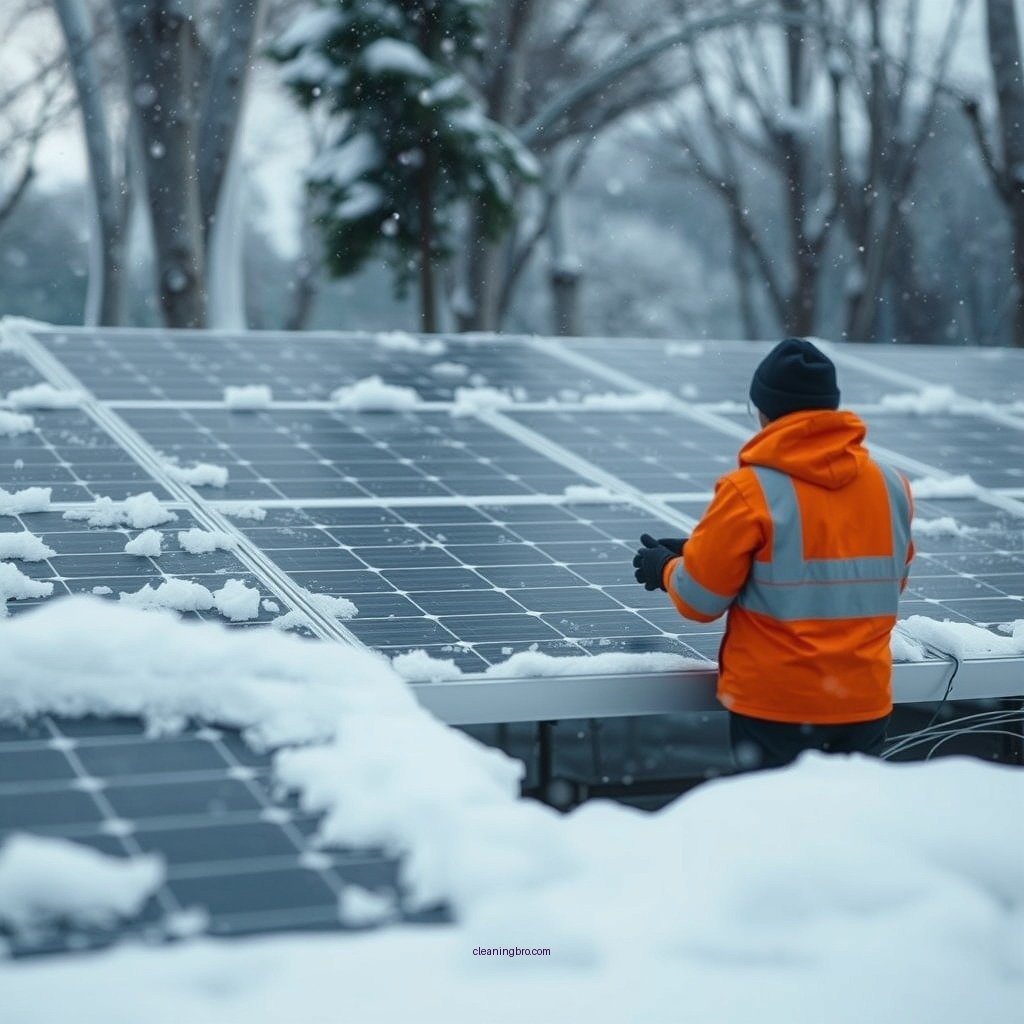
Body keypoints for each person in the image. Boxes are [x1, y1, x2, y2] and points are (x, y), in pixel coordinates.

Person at [632, 337, 914, 771]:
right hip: (864, 701)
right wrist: (700, 551)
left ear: (764, 411)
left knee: (780, 831)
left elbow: (700, 599)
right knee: (852, 830)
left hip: (777, 707)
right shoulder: (891, 484)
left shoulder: (750, 491)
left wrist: (668, 568)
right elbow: (868, 578)